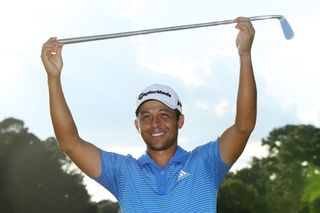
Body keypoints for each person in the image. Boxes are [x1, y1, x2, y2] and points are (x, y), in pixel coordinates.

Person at [41, 17, 256, 212]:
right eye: (146, 116)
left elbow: (244, 125)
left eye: (164, 114)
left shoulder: (205, 163)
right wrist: (53, 78)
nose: (155, 123)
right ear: (137, 125)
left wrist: (244, 55)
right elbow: (69, 142)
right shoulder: (123, 172)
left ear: (180, 120)